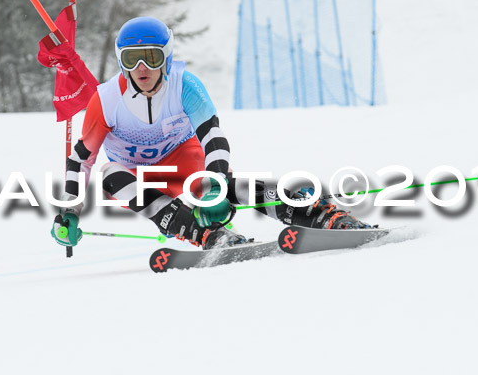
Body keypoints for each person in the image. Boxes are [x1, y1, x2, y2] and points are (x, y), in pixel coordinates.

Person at [47, 16, 369, 250]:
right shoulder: (105, 100)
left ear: (166, 57)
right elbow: (80, 161)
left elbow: (213, 138)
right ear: (121, 61)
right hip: (136, 178)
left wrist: (216, 187)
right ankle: (205, 234)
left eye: (151, 57)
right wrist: (68, 211)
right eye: (132, 60)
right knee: (108, 174)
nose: (141, 69)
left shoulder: (185, 85)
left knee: (229, 185)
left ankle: (317, 214)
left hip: (185, 163)